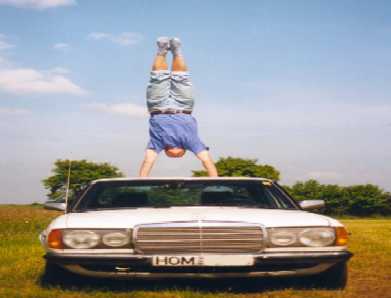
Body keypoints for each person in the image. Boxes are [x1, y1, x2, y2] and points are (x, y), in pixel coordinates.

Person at [139, 37, 218, 177]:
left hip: (157, 106)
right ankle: (176, 52)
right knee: (181, 77)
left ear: (165, 151)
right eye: (178, 156)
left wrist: (140, 181)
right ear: (184, 151)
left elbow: (148, 162)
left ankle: (162, 51)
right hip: (184, 106)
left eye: (172, 156)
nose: (175, 156)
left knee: (157, 77)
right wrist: (215, 181)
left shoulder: (157, 144)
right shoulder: (192, 142)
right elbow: (207, 162)